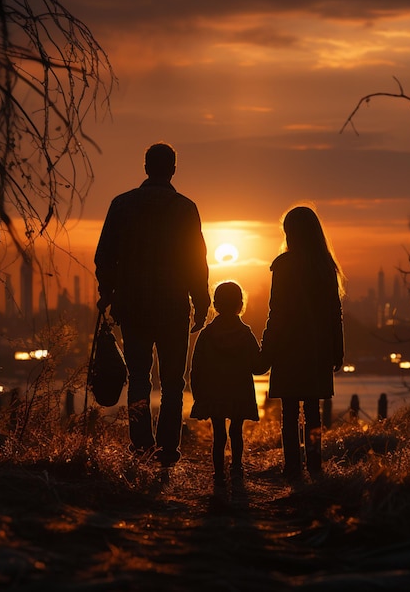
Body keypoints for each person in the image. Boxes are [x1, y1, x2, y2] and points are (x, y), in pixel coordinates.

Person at [94, 142, 210, 467]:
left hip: (133, 305)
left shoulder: (122, 205)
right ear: (173, 169)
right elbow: (196, 261)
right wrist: (201, 302)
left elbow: (104, 256)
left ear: (145, 167)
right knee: (173, 382)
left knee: (139, 378)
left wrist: (109, 292)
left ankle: (142, 448)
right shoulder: (185, 208)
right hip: (173, 305)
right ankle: (168, 450)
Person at [261, 205, 345, 480]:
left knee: (289, 412)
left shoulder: (283, 265)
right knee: (313, 411)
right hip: (318, 348)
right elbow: (335, 312)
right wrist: (337, 349)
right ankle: (316, 465)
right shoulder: (325, 266)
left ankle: (292, 467)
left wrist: (267, 348)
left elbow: (277, 311)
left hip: (288, 346)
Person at [190, 281, 266, 486]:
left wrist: (199, 395)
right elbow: (258, 367)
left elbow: (196, 369)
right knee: (236, 432)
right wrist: (269, 350)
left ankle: (218, 474)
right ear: (240, 305)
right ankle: (236, 468)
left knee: (218, 434)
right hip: (239, 393)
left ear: (216, 305)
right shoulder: (245, 335)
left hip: (215, 394)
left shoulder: (206, 335)